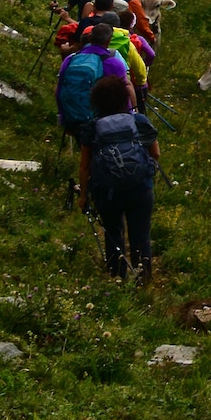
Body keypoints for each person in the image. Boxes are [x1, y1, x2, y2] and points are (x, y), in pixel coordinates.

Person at [78, 75, 159, 284]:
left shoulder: (93, 127)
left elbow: (85, 165)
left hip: (107, 190)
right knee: (140, 234)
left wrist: (84, 196)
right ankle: (144, 280)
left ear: (97, 101)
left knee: (113, 232)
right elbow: (156, 153)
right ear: (125, 98)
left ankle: (117, 278)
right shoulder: (138, 121)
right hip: (140, 188)